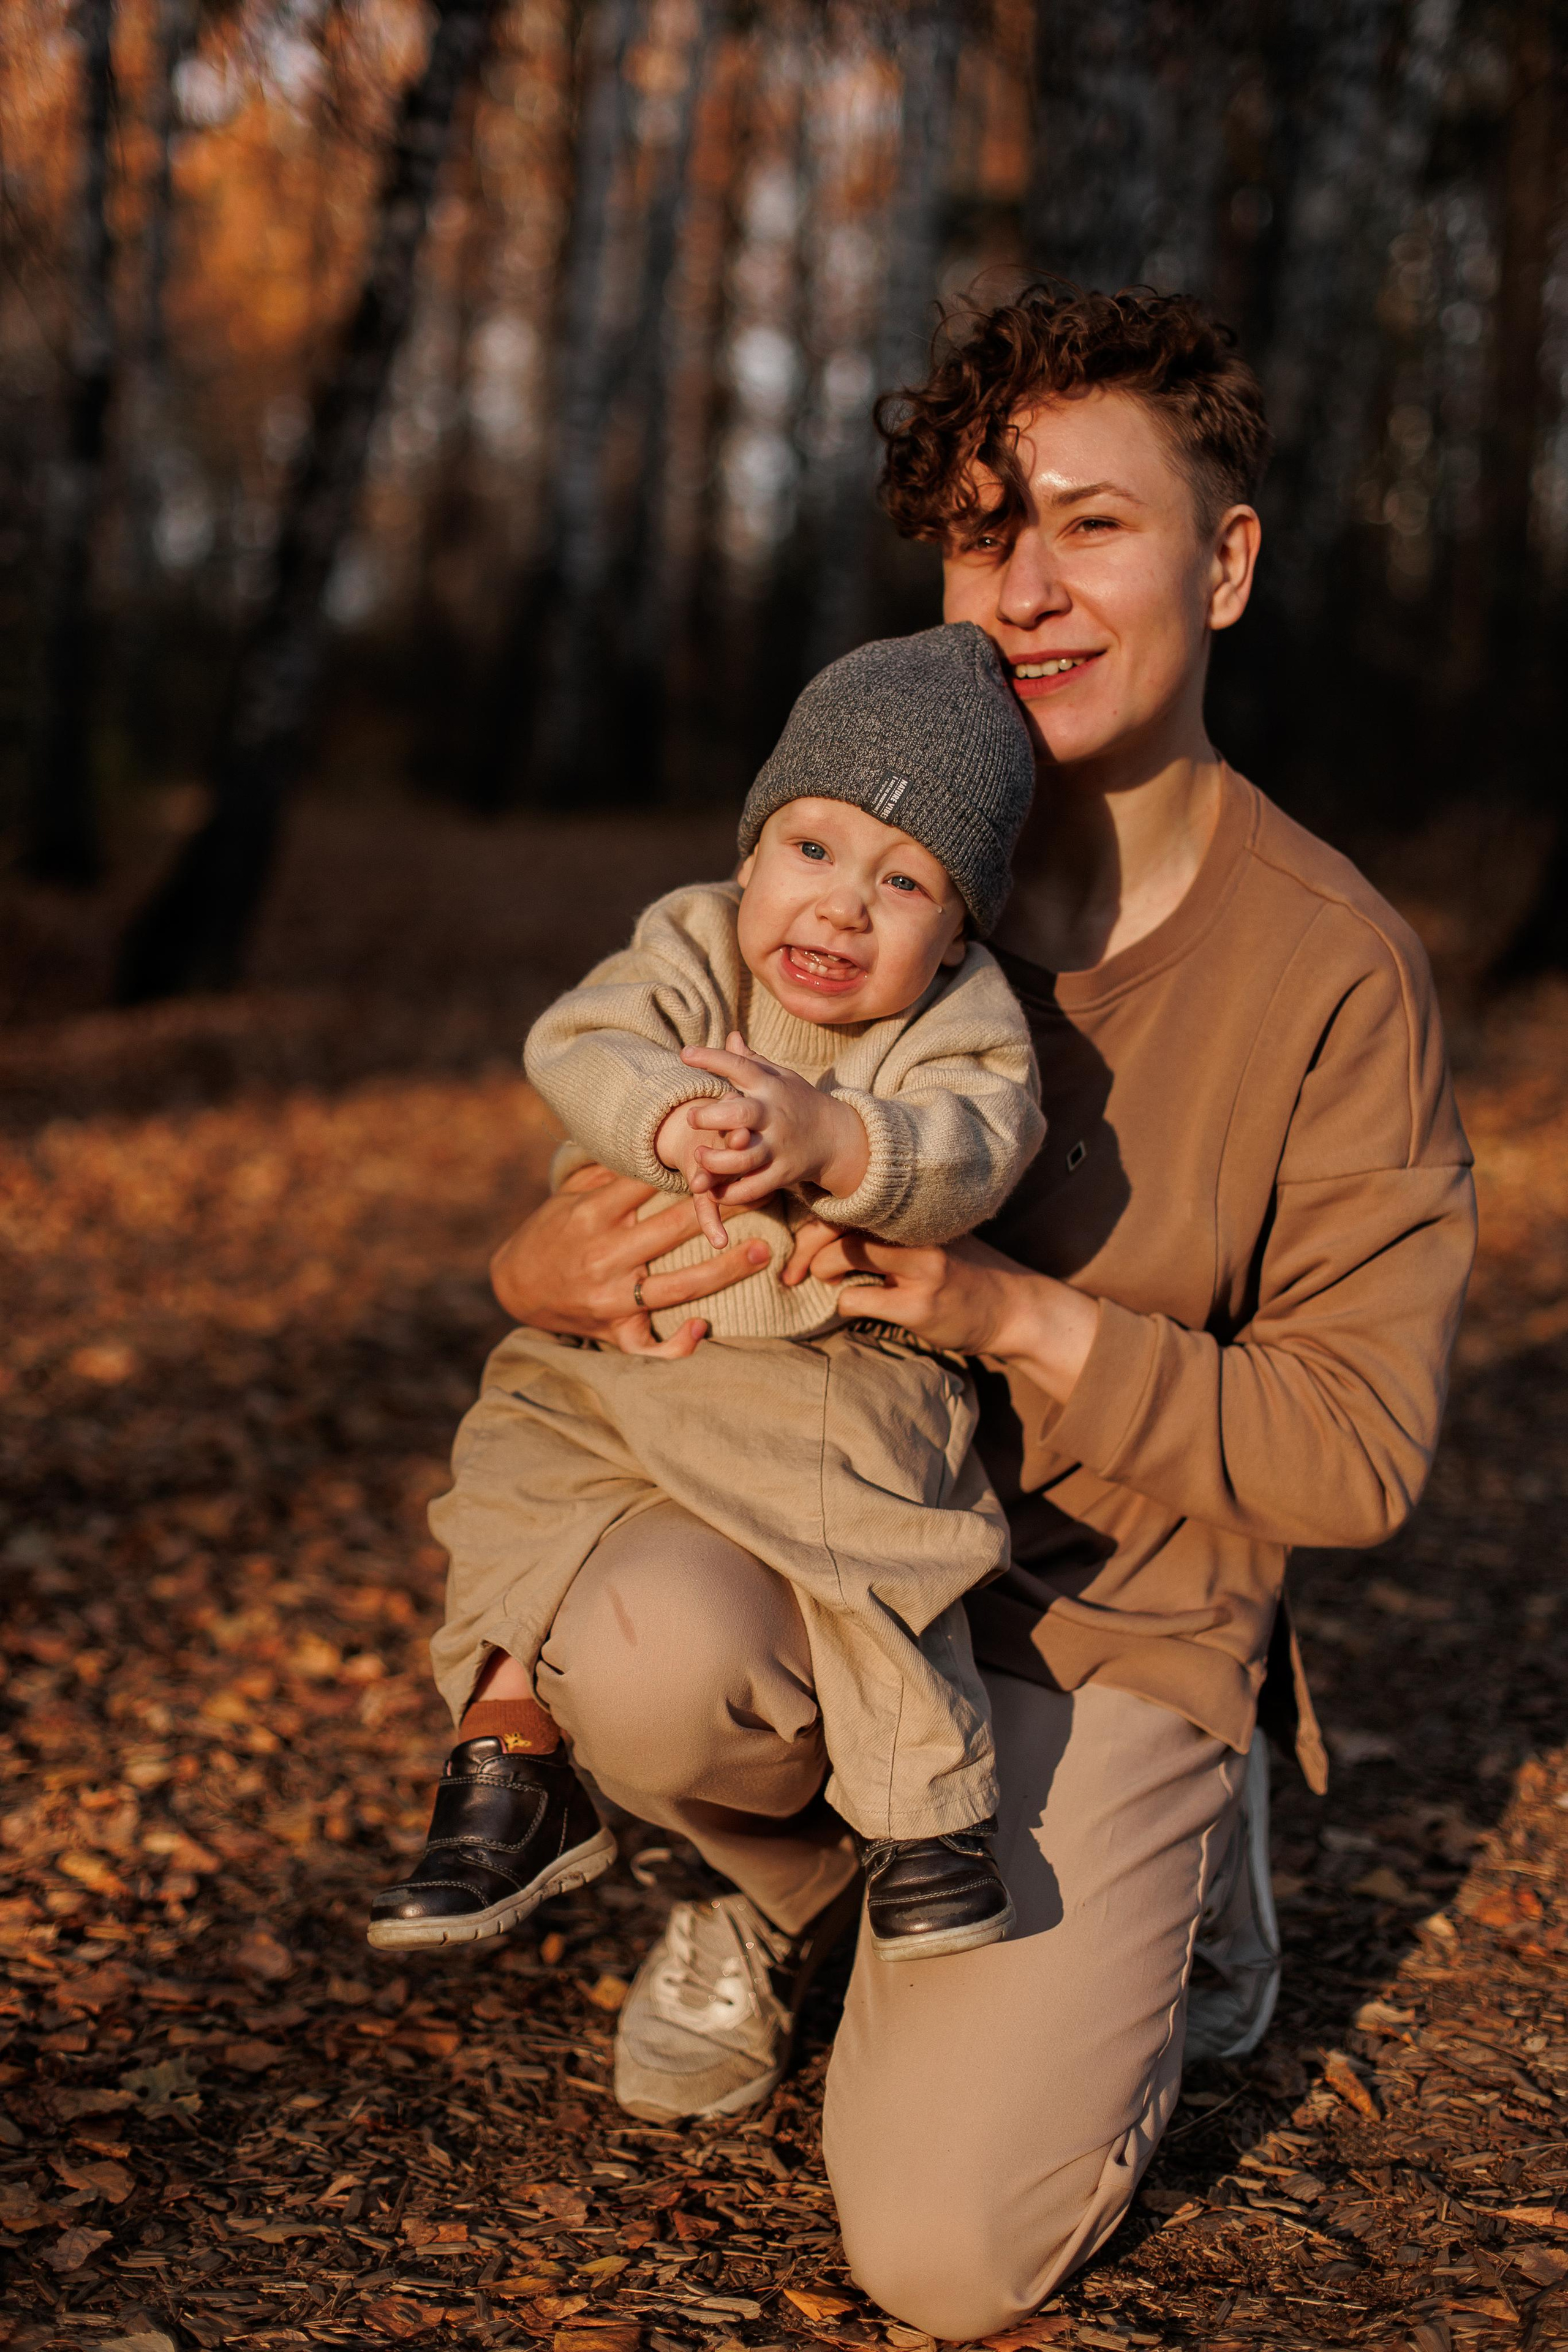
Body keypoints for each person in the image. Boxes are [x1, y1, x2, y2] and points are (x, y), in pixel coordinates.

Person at [404, 287, 1479, 2339]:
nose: (1031, 587)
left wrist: (1009, 1312)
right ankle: (803, 1888)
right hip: (823, 1555)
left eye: (1093, 523)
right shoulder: (858, 864)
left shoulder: (1333, 965)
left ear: (1226, 562)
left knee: (942, 2256)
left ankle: (1180, 1854)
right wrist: (525, 1266)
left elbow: (1358, 1446)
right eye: (993, 532)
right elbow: (639, 1155)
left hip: (1106, 1618)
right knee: (630, 1649)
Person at [369, 624, 1046, 1965]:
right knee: (510, 1470)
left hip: (816, 1373)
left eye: (904, 882)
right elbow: (584, 1042)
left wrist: (836, 1142)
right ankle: (510, 1763)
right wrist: (674, 1116)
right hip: (620, 1359)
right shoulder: (689, 943)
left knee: (859, 1547)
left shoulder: (960, 1015)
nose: (840, 906)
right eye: (809, 849)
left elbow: (979, 1138)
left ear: (959, 923)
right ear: (748, 854)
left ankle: (926, 1818)